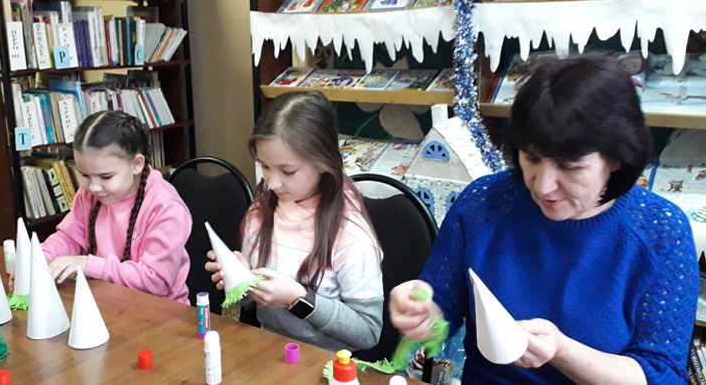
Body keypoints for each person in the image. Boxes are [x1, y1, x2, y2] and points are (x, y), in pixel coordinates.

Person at [390, 55, 698, 384]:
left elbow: (662, 374)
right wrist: (421, 313)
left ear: (616, 158)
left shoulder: (661, 232)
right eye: (532, 158)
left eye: (569, 166)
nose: (542, 185)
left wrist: (562, 351)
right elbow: (443, 305)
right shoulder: (483, 204)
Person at [205, 91, 384, 352]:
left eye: (287, 171)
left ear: (322, 163)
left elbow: (368, 332)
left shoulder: (350, 235)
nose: (272, 183)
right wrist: (241, 280)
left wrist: (299, 298)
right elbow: (250, 305)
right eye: (265, 167)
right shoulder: (261, 214)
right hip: (267, 350)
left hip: (325, 362)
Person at [42, 110, 192, 303]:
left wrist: (90, 265)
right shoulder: (88, 195)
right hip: (107, 302)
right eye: (84, 175)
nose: (93, 187)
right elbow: (68, 239)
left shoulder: (165, 207)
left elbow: (157, 281)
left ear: (137, 164)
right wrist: (40, 258)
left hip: (160, 312)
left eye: (106, 177)